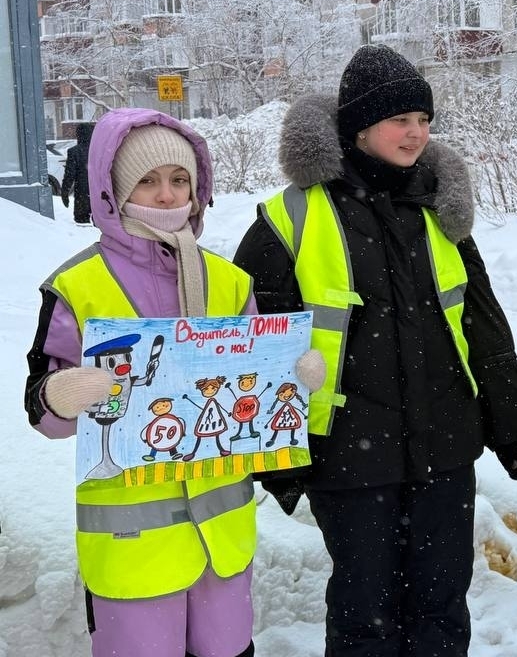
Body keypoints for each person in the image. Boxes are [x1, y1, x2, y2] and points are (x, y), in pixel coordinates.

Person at [234, 44, 517, 657]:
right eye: (401, 119)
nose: (416, 133)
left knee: (442, 606)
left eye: (424, 120)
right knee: (364, 616)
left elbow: (482, 326)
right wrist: (279, 457)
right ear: (359, 127)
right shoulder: (292, 217)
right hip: (348, 454)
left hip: (445, 448)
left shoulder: (440, 208)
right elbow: (253, 346)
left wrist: (510, 426)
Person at [23, 108, 322, 657]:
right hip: (131, 544)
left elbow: (255, 391)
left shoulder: (231, 282)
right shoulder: (77, 286)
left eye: (179, 179)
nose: (166, 195)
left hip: (222, 542)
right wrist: (57, 396)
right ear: (113, 189)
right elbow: (41, 412)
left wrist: (295, 376)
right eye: (148, 180)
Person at [63, 122, 95, 224]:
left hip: (82, 193)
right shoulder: (99, 151)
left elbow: (69, 174)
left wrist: (65, 191)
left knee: (82, 222)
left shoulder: (74, 151)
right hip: (99, 192)